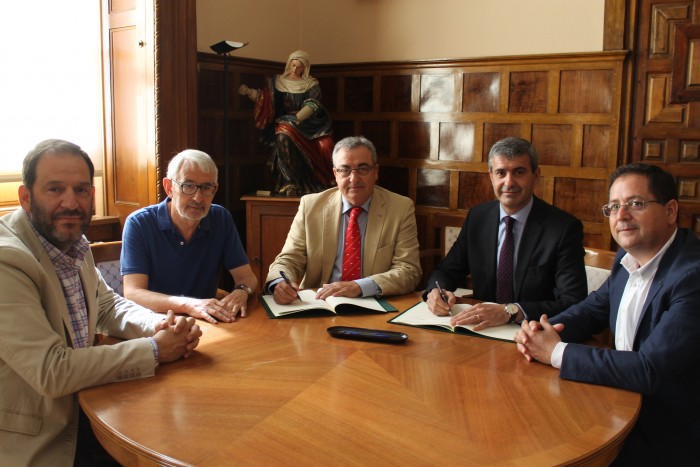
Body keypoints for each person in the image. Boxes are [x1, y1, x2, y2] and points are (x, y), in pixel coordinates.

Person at [0, 139, 202, 466]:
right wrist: (154, 349)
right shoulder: (7, 260)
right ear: (26, 197)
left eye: (81, 190)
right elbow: (52, 370)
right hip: (41, 440)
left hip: (95, 410)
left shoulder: (69, 239)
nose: (71, 202)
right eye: (54, 189)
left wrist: (158, 324)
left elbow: (108, 306)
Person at [515, 163, 700, 465]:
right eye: (613, 207)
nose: (621, 216)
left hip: (668, 434)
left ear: (670, 211)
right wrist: (543, 333)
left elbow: (648, 369)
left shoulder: (692, 276)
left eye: (635, 204)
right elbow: (592, 310)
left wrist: (556, 352)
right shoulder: (628, 259)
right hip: (620, 404)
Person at [424, 137, 588, 329]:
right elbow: (446, 271)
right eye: (501, 173)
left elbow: (573, 300)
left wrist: (510, 311)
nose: (509, 182)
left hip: (532, 331)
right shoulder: (478, 217)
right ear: (491, 176)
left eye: (519, 172)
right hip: (481, 330)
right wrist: (435, 292)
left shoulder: (563, 228)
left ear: (536, 175)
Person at [266, 136, 421, 304]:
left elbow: (409, 270)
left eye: (362, 169)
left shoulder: (400, 208)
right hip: (320, 303)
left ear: (375, 171)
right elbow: (288, 260)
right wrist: (280, 283)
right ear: (335, 174)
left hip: (374, 302)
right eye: (345, 170)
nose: (354, 179)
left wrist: (359, 286)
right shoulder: (311, 206)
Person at [121, 149, 258, 325]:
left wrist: (241, 292)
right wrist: (189, 305)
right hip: (155, 324)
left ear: (214, 190)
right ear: (169, 188)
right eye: (188, 186)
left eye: (206, 187)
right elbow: (133, 293)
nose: (198, 197)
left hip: (208, 323)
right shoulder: (139, 223)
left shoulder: (220, 218)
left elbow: (247, 277)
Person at [239, 49, 334, 197]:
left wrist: (299, 117)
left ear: (305, 68)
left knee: (326, 144)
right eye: (293, 65)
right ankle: (290, 183)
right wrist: (250, 92)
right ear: (289, 64)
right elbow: (267, 100)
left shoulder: (311, 84)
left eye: (299, 66)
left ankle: (326, 178)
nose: (295, 69)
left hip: (309, 124)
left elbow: (313, 104)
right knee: (283, 134)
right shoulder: (278, 82)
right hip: (285, 122)